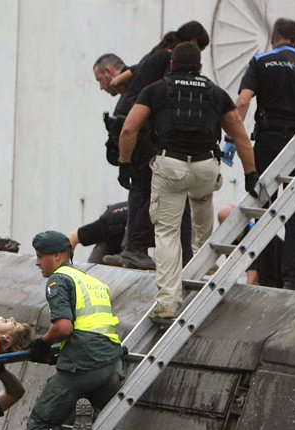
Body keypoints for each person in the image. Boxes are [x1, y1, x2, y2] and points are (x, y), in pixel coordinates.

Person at [119, 42, 256, 325]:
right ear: (200, 67)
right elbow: (240, 136)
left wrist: (125, 163)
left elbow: (129, 127)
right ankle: (206, 273)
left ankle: (168, 303)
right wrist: (250, 174)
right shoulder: (215, 93)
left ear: (171, 65)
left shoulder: (156, 89)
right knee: (201, 211)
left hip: (171, 166)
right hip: (205, 167)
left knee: (168, 234)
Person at [13, 231, 123, 430]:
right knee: (81, 395)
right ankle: (85, 408)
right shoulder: (93, 281)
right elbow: (93, 326)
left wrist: (42, 343)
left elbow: (63, 327)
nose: (38, 262)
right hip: (111, 366)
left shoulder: (58, 280)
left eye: (40, 257)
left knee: (41, 419)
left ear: (58, 256)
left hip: (83, 363)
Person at [234, 18, 295, 291]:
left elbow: (243, 101)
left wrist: (233, 138)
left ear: (273, 39)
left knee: (264, 208)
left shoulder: (261, 61)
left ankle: (266, 277)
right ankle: (291, 278)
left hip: (267, 140)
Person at [105, 21, 212, 271]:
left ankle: (131, 248)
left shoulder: (153, 55)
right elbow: (170, 92)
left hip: (121, 124)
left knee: (140, 187)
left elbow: (117, 81)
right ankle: (136, 248)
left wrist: (127, 92)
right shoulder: (167, 58)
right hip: (140, 128)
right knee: (155, 186)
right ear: (192, 44)